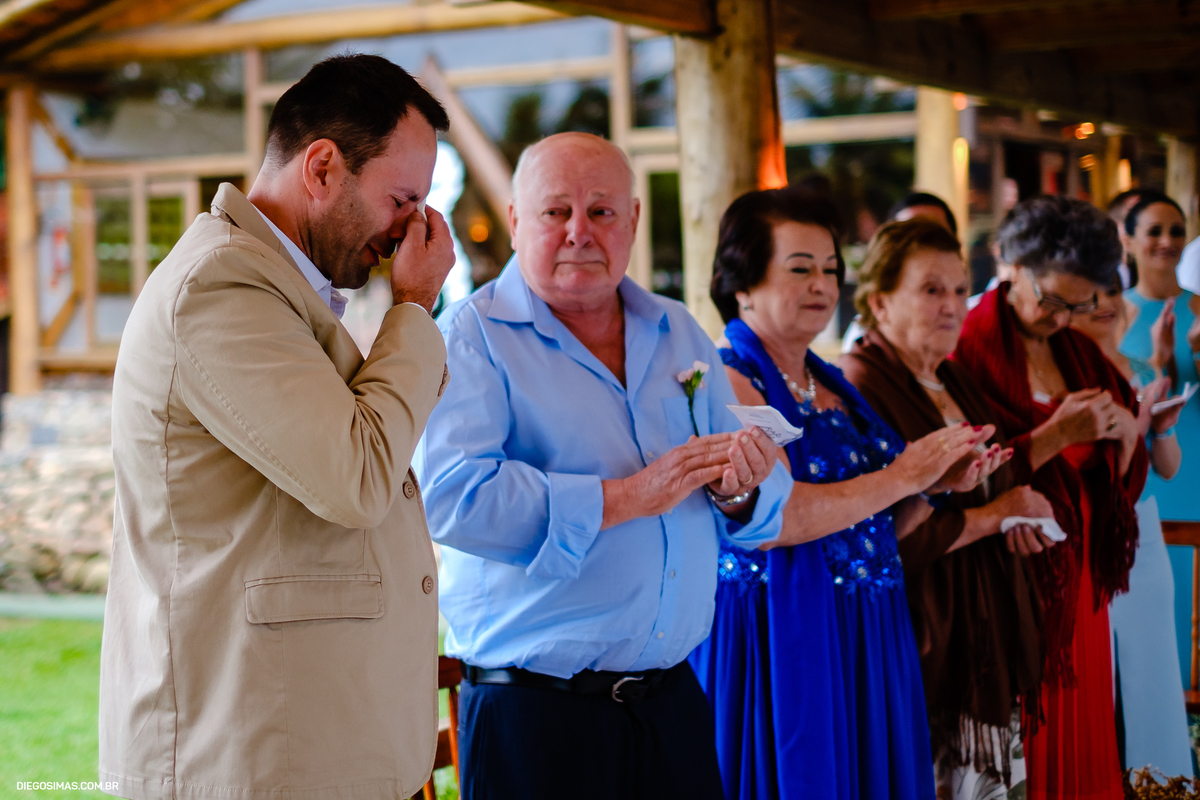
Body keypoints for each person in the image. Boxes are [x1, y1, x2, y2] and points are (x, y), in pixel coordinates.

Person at [99, 55, 455, 800]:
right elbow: (358, 477)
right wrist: (414, 310)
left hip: (297, 749)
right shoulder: (220, 286)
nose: (412, 230)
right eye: (402, 199)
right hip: (248, 758)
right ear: (322, 168)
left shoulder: (279, 287)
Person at [414, 132, 793, 800]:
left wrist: (739, 491)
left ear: (634, 220)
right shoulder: (470, 336)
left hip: (671, 704)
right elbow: (453, 497)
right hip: (537, 716)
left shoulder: (677, 328)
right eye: (556, 211)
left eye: (601, 211)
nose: (579, 232)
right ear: (514, 221)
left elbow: (757, 506)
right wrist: (626, 497)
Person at [691, 188, 995, 800]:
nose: (822, 286)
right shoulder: (726, 379)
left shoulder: (825, 379)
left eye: (830, 269)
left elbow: (874, 528)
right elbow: (782, 517)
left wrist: (933, 487)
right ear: (742, 285)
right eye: (800, 268)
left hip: (867, 626)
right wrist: (904, 475)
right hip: (778, 637)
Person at [837, 218, 1053, 797]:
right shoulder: (859, 384)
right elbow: (881, 533)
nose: (953, 306)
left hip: (983, 620)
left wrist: (1014, 517)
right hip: (917, 631)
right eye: (931, 289)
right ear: (880, 302)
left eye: (960, 289)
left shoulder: (954, 376)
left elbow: (992, 479)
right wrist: (994, 515)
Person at [955, 195, 1150, 800]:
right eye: (1051, 299)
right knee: (1032, 749)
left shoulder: (1081, 351)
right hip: (1014, 578)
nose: (1061, 319)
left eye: (1080, 305)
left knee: (1086, 733)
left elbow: (1126, 464)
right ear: (1010, 265)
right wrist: (1057, 435)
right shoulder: (967, 348)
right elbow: (964, 471)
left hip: (1081, 580)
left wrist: (1126, 432)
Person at [1071, 270, 1191, 779]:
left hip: (1141, 533)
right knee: (1095, 669)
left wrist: (1159, 429)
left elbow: (1167, 467)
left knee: (1152, 666)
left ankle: (1158, 781)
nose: (1105, 302)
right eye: (1091, 293)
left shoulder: (1140, 369)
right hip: (1086, 534)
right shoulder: (1064, 374)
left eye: (1112, 291)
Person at [843, 191, 958, 352]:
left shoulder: (970, 321)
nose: (926, 248)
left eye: (937, 237)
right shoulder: (865, 339)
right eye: (909, 238)